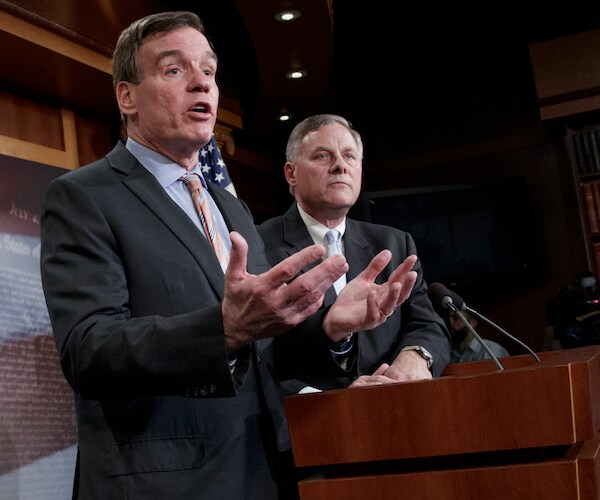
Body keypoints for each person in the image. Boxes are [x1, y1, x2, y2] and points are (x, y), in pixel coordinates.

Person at [39, 12, 421, 500]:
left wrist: (329, 327)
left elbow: (261, 347)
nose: (201, 81)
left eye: (209, 71)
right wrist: (224, 329)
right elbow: (88, 350)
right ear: (127, 96)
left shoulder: (230, 207)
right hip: (164, 483)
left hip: (262, 470)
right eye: (175, 70)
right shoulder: (84, 197)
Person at [258, 114, 451, 392]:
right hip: (304, 421)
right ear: (291, 174)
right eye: (323, 156)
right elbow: (257, 353)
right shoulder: (259, 245)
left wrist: (416, 357)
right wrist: (332, 400)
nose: (340, 166)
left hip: (397, 411)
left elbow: (427, 324)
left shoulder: (394, 244)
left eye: (349, 156)